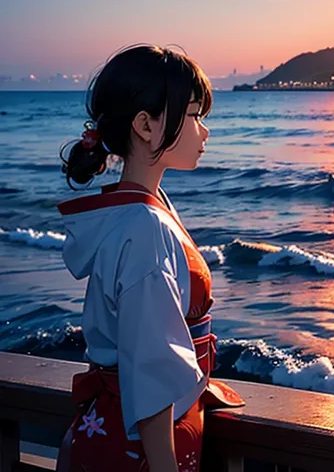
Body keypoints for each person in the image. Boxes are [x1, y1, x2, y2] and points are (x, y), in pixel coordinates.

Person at [56, 45, 244, 472]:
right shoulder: (145, 226)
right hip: (139, 445)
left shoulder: (137, 209)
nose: (205, 131)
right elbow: (151, 361)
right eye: (194, 115)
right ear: (145, 125)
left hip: (109, 426)